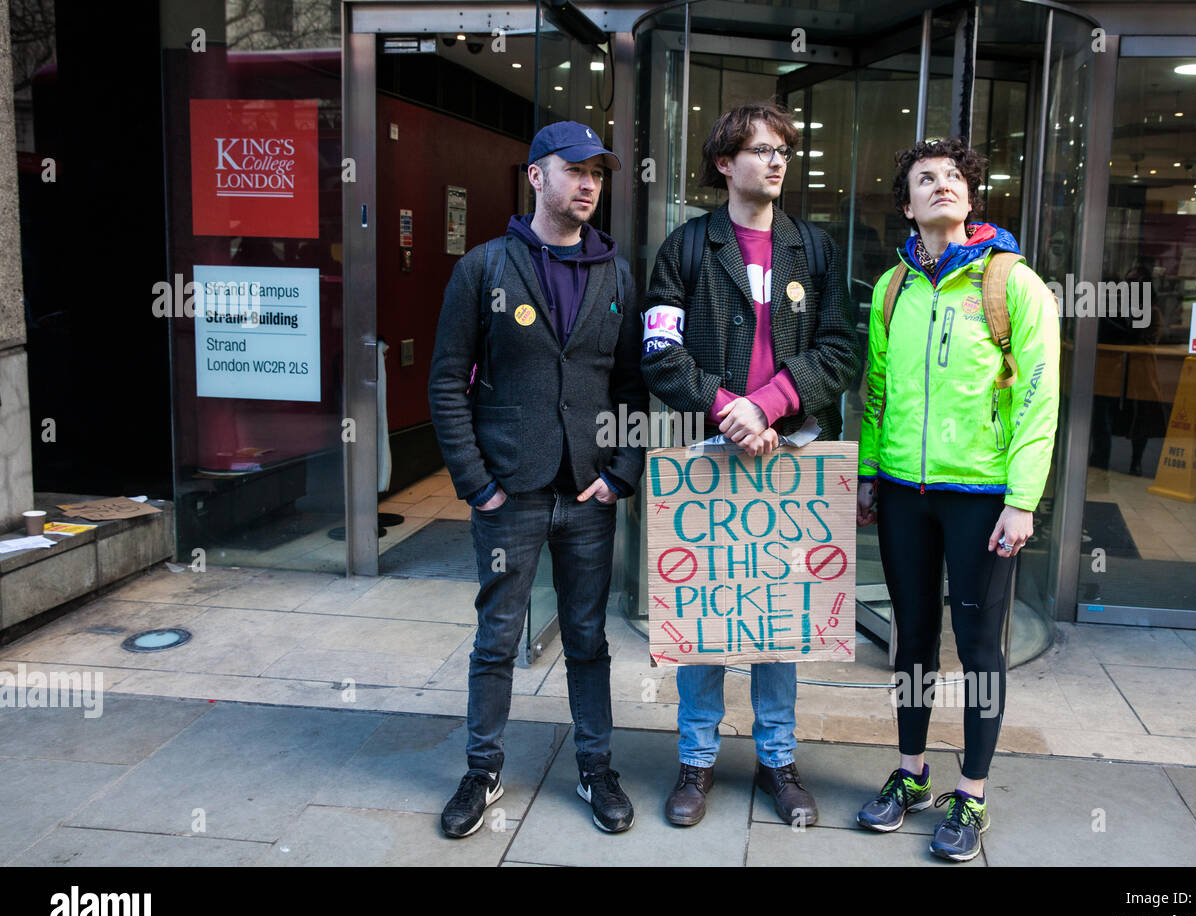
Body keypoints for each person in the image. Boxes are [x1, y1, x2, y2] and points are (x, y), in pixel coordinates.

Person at [641, 101, 860, 828]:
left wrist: (767, 405)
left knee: (777, 613)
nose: (776, 162)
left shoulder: (816, 249)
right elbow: (659, 354)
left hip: (791, 449)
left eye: (783, 152)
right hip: (712, 449)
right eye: (760, 150)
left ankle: (778, 761)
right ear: (723, 164)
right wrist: (727, 407)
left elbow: (840, 351)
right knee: (706, 612)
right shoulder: (684, 248)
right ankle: (696, 762)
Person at [428, 121, 648, 838]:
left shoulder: (616, 274)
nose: (589, 184)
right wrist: (476, 482)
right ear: (536, 177)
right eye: (575, 169)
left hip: (589, 494)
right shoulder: (484, 268)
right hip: (510, 494)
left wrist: (621, 471)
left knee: (587, 637)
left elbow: (629, 385)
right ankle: (482, 770)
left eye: (599, 173)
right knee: (497, 637)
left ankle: (595, 767)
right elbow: (445, 384)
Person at [855, 137, 1060, 862]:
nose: (941, 186)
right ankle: (911, 775)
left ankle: (971, 795)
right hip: (907, 493)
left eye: (953, 178)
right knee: (912, 641)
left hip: (982, 495)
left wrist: (1023, 500)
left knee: (977, 648)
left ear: (971, 198)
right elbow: (876, 392)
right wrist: (872, 474)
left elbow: (1038, 402)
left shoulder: (1013, 283)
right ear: (907, 205)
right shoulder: (891, 289)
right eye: (924, 179)